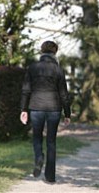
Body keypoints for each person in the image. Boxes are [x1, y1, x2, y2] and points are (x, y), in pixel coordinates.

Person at [20, 41, 71, 183]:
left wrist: (23, 109)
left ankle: (38, 157)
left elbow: (26, 90)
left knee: (36, 137)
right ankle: (50, 176)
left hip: (36, 106)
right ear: (55, 52)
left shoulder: (32, 68)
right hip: (54, 108)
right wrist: (67, 113)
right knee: (51, 141)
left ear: (42, 51)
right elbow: (64, 94)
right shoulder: (58, 70)